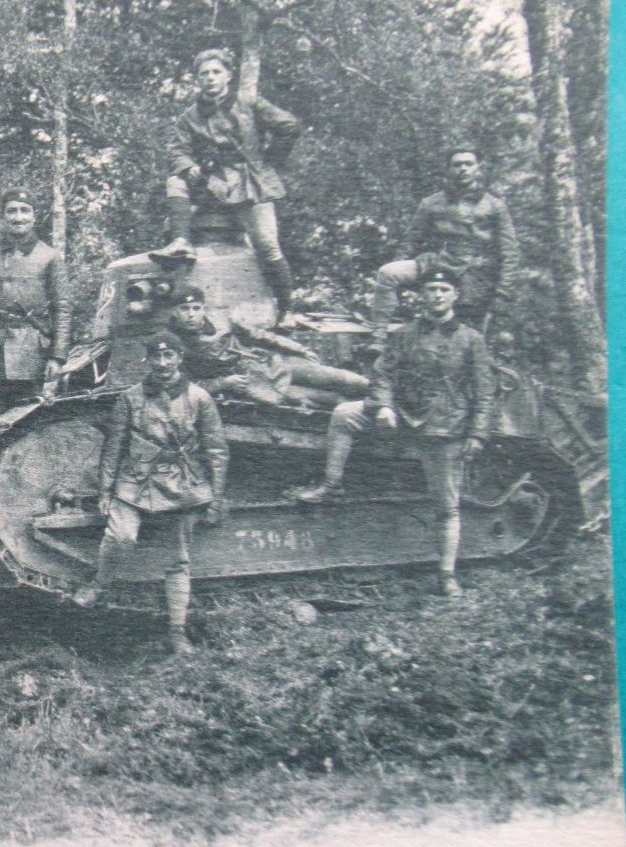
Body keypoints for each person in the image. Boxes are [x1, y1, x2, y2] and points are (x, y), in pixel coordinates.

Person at [294, 269, 494, 597]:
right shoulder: (405, 333)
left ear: (455, 295)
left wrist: (477, 435)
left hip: (446, 425)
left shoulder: (471, 339)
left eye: (444, 289)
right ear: (421, 296)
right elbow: (383, 374)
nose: (437, 295)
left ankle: (446, 574)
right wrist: (384, 406)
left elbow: (485, 391)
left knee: (447, 505)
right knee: (345, 414)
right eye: (431, 289)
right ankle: (331, 485)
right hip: (402, 413)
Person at [73, 333, 228, 655]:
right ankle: (99, 584)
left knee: (177, 559)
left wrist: (216, 494)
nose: (162, 364)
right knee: (121, 537)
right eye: (156, 358)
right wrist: (105, 489)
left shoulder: (199, 398)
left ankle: (177, 630)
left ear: (179, 358)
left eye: (168, 356)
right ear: (148, 361)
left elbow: (216, 450)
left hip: (182, 483)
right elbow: (114, 446)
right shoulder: (131, 398)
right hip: (135, 481)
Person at [154, 48, 304, 317]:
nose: (210, 78)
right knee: (176, 180)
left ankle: (287, 309)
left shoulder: (248, 103)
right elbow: (176, 150)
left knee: (267, 246)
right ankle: (181, 241)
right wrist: (190, 168)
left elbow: (289, 126)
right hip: (213, 182)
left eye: (216, 72)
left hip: (250, 183)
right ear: (197, 79)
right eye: (204, 73)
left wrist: (268, 160)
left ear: (228, 76)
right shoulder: (189, 116)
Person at [369, 145, 520, 338]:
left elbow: (509, 252)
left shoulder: (494, 206)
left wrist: (504, 292)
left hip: (476, 272)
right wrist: (400, 268)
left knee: (465, 334)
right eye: (457, 164)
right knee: (389, 273)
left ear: (478, 168)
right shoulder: (431, 203)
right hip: (437, 263)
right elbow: (411, 240)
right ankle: (379, 336)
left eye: (468, 164)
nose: (463, 169)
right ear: (448, 169)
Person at [0, 188, 72, 417]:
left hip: (33, 354)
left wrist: (57, 357)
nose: (18, 217)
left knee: (29, 422)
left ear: (34, 216)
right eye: (12, 211)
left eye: (24, 211)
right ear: (2, 217)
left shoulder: (49, 257)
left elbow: (63, 309)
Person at [167, 286, 369, 409]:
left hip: (273, 363)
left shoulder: (223, 319)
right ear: (175, 312)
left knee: (345, 380)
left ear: (203, 309)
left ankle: (387, 402)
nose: (191, 314)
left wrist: (300, 349)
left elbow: (262, 336)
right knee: (332, 400)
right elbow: (185, 384)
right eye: (184, 309)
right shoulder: (172, 343)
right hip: (255, 385)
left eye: (196, 308)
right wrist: (223, 383)